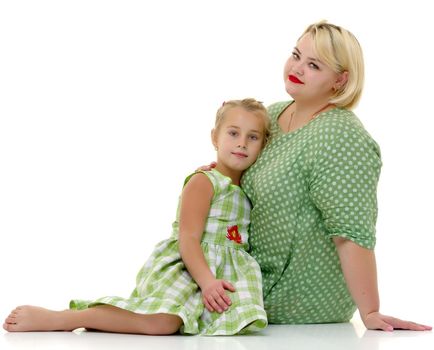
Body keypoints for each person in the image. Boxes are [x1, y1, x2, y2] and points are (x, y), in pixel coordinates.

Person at [205, 21, 432, 332]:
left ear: (340, 80)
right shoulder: (272, 115)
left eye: (313, 65)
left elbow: (350, 232)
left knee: (166, 310)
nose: (297, 68)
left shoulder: (340, 135)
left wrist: (370, 311)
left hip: (296, 297)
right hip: (249, 272)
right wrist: (215, 173)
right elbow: (240, 170)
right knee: (170, 280)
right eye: (296, 55)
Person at [3, 98, 270, 336]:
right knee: (163, 322)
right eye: (233, 133)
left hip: (220, 273)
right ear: (215, 137)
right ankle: (66, 318)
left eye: (252, 137)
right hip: (190, 268)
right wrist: (207, 282)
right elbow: (187, 237)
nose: (241, 143)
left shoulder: (247, 189)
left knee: (240, 321)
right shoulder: (204, 181)